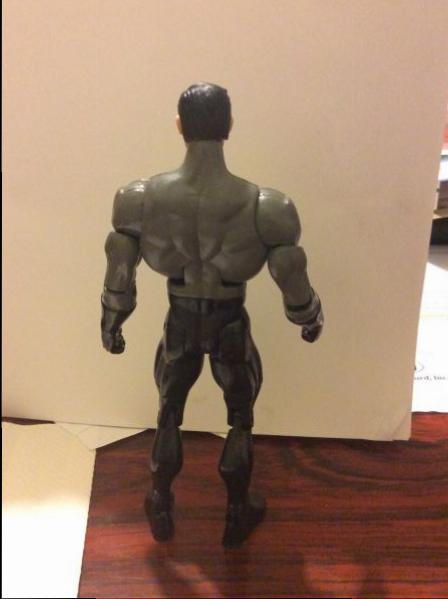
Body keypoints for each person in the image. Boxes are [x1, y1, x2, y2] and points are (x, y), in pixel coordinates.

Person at [101, 82, 324, 546]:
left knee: (168, 413)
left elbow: (120, 267)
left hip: (180, 320)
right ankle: (236, 513)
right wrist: (308, 317)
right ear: (229, 127)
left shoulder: (139, 200)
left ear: (178, 126)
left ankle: (160, 501)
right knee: (240, 418)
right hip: (229, 323)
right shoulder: (266, 207)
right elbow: (290, 273)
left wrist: (112, 318)